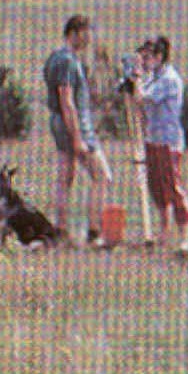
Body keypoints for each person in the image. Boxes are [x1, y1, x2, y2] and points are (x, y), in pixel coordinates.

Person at [44, 15, 114, 244]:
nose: (89, 39)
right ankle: (94, 232)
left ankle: (60, 230)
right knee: (102, 176)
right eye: (86, 34)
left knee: (66, 176)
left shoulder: (57, 58)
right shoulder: (67, 61)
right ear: (74, 33)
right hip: (72, 125)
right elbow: (67, 101)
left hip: (60, 122)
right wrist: (77, 138)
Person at [133, 36, 188, 255]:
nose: (145, 61)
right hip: (153, 139)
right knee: (157, 188)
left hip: (169, 141)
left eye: (148, 57)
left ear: (159, 57)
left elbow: (142, 99)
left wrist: (137, 77)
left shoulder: (169, 79)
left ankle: (185, 236)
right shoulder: (152, 77)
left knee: (173, 187)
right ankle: (163, 233)